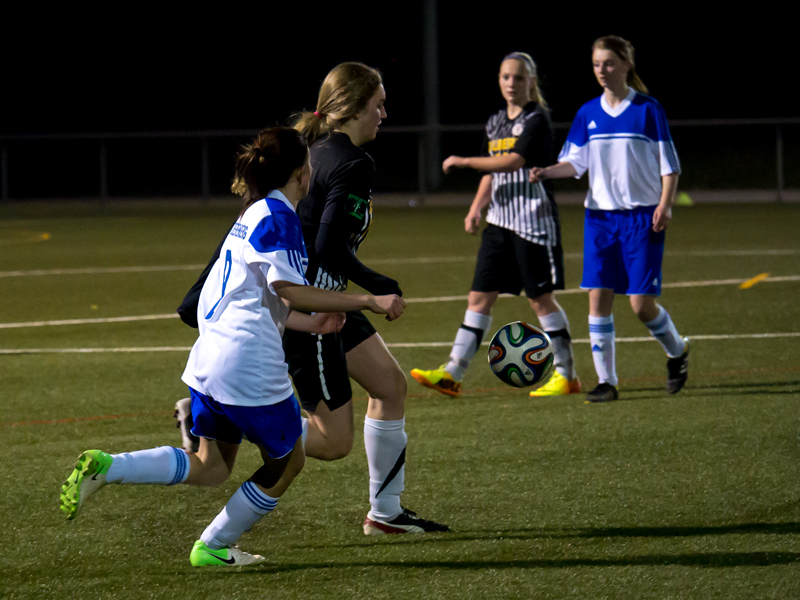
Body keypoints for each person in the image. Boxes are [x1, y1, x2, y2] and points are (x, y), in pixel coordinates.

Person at [60, 127, 407, 567]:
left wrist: (312, 323)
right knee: (288, 464)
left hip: (209, 361)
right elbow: (289, 289)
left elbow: (258, 296)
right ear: (302, 172)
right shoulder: (282, 219)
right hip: (249, 368)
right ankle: (213, 544)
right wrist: (366, 300)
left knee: (211, 465)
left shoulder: (253, 213)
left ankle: (109, 466)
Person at [175, 62, 447, 535]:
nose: (385, 113)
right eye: (378, 104)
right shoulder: (351, 162)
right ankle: (223, 418)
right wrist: (378, 287)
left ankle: (386, 515)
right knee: (333, 440)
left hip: (327, 299)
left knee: (390, 385)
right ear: (353, 109)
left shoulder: (314, 153)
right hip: (311, 306)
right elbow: (327, 248)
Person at [410, 52, 580, 399]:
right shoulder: (496, 121)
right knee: (478, 297)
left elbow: (513, 160)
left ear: (531, 80)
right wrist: (476, 208)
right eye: (506, 77)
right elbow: (493, 171)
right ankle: (452, 374)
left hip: (532, 222)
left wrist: (463, 161)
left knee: (540, 300)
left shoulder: (537, 118)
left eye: (518, 78)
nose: (511, 84)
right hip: (499, 223)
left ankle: (567, 376)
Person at [529, 35, 689, 403]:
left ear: (626, 65)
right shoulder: (589, 113)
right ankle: (606, 382)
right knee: (598, 298)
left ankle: (677, 351)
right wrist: (547, 171)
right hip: (599, 219)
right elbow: (576, 163)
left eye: (609, 63)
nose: (602, 70)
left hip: (641, 219)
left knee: (640, 305)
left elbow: (670, 166)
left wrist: (664, 205)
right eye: (597, 64)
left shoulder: (648, 110)